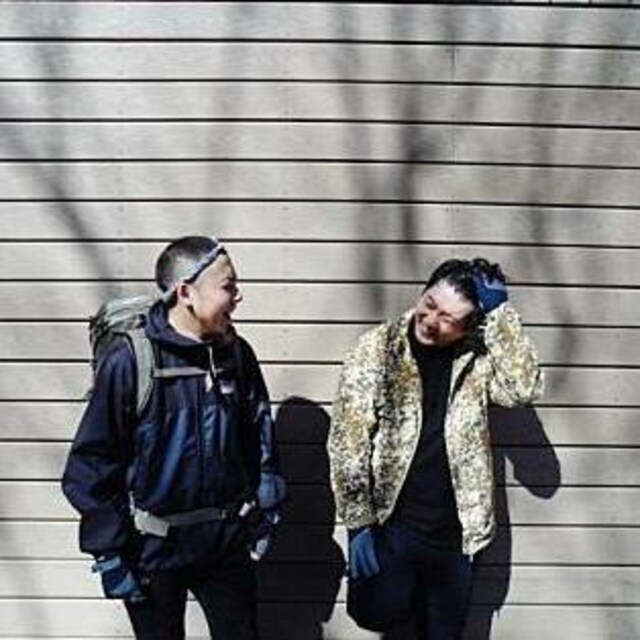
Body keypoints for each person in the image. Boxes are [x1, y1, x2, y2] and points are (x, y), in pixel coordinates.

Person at [62, 236, 285, 640]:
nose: (238, 295)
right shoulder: (131, 360)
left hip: (225, 541)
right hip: (152, 547)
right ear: (185, 293)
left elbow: (260, 438)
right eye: (228, 286)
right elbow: (91, 462)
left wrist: (265, 512)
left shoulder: (236, 355)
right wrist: (109, 550)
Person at [327, 258, 544, 639]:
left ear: (468, 325)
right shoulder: (379, 349)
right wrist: (358, 522)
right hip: (393, 523)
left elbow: (523, 390)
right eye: (429, 304)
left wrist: (501, 315)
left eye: (448, 318)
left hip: (456, 533)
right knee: (379, 616)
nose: (430, 321)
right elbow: (349, 438)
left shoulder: (477, 358)